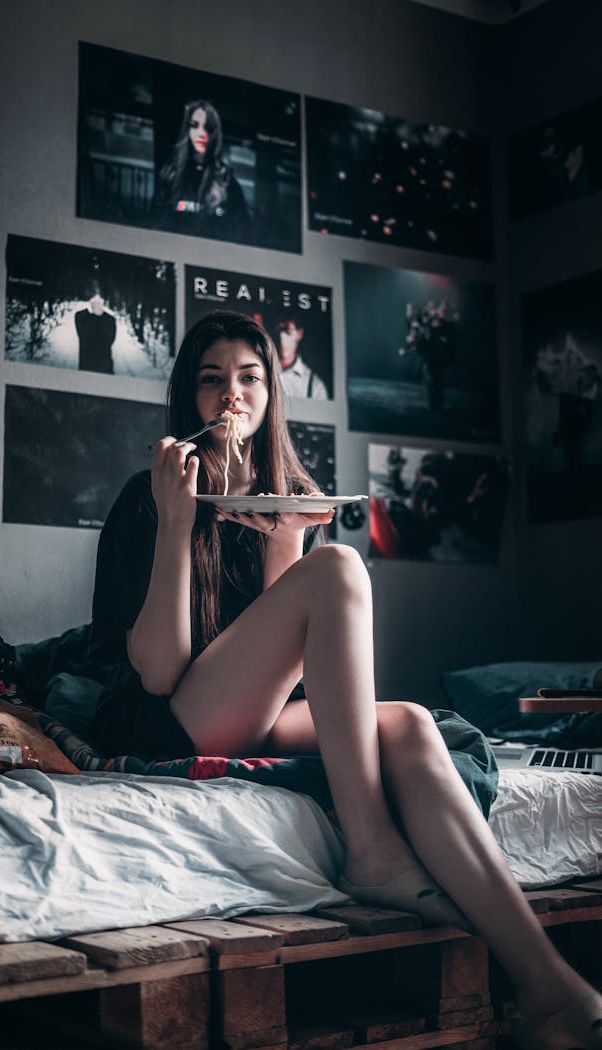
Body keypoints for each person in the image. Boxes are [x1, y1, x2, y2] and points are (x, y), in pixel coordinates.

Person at [89, 310, 602, 1050]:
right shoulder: (150, 494)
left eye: (248, 377)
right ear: (189, 398)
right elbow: (161, 673)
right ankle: (371, 849)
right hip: (163, 715)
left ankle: (548, 985)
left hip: (246, 707)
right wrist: (176, 524)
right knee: (339, 569)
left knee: (413, 725)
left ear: (270, 394)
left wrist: (289, 538)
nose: (231, 395)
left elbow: (290, 674)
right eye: (212, 381)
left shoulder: (282, 492)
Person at [154, 100, 251, 242]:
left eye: (208, 128)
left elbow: (241, 233)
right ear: (187, 130)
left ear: (215, 134)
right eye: (195, 126)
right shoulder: (171, 176)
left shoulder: (228, 183)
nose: (201, 133)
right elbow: (158, 225)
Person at [274, 317, 329, 399]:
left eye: (288, 332)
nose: (281, 338)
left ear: (299, 334)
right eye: (278, 331)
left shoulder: (315, 387)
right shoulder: (260, 370)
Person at [74, 293, 117, 374]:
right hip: (86, 365)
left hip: (106, 367)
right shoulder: (81, 316)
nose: (97, 301)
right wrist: (95, 316)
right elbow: (85, 337)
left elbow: (108, 341)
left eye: (100, 298)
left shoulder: (110, 319)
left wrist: (100, 316)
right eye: (94, 298)